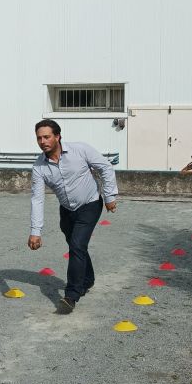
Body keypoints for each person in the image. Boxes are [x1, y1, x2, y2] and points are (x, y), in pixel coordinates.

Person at [28, 118, 118, 314]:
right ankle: (87, 279)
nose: (43, 141)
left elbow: (105, 167)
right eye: (39, 138)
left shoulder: (80, 150)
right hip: (67, 210)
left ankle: (71, 296)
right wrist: (35, 232)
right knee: (77, 246)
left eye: (47, 137)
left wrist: (110, 196)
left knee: (77, 245)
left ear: (58, 136)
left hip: (90, 204)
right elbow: (37, 199)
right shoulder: (39, 167)